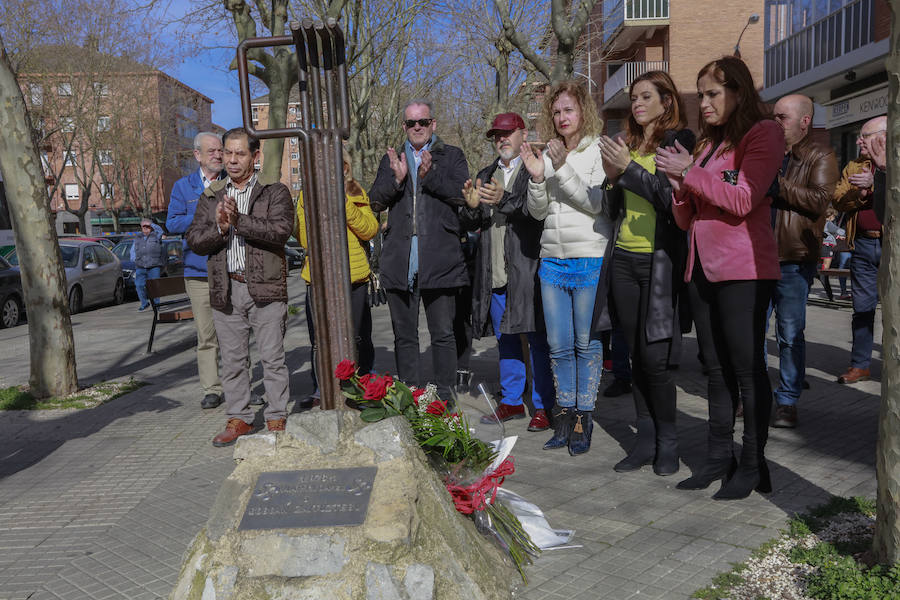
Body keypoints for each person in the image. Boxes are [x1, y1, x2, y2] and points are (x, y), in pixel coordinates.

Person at [656, 56, 784, 500]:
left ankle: (752, 464)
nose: (704, 103)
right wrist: (678, 188)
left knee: (747, 370)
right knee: (715, 370)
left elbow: (744, 198)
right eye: (702, 95)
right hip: (701, 268)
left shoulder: (763, 132)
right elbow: (687, 218)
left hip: (744, 268)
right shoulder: (710, 145)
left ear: (738, 92)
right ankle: (717, 458)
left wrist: (689, 173)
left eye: (712, 94)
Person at [597, 70, 695, 475]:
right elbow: (612, 211)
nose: (636, 104)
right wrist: (610, 179)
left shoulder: (681, 142)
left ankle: (669, 443)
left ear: (666, 101)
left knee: (656, 360)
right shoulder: (628, 144)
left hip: (658, 264)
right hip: (622, 260)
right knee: (636, 356)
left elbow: (669, 202)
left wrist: (629, 171)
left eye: (645, 97)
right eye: (634, 98)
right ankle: (645, 441)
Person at [520, 80, 613, 456]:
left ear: (583, 112)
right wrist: (538, 178)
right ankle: (565, 415)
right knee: (558, 346)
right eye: (556, 111)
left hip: (589, 255)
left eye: (568, 110)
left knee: (585, 343)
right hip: (552, 260)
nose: (562, 117)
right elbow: (538, 212)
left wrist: (560, 168)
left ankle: (584, 419)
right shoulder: (548, 154)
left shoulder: (596, 151)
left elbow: (595, 203)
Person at [186, 127, 294, 447]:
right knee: (233, 362)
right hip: (226, 289)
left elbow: (280, 231)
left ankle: (276, 416)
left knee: (272, 358)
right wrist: (219, 227)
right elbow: (194, 240)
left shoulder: (274, 192)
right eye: (227, 153)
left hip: (265, 288)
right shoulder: (211, 196)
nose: (231, 160)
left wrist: (238, 222)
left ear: (255, 156)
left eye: (239, 154)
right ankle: (239, 418)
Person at [461, 112, 555, 432]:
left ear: (522, 135)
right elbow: (473, 226)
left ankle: (543, 406)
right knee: (507, 341)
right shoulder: (486, 173)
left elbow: (535, 213)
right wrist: (471, 207)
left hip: (527, 270)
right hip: (495, 274)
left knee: (537, 340)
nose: (501, 139)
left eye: (507, 133)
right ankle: (513, 401)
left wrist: (504, 199)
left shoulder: (534, 169)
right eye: (496, 135)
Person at [368, 99, 469, 400]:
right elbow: (375, 200)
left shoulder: (451, 156)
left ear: (432, 124)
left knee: (443, 333)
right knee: (405, 336)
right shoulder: (392, 159)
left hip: (440, 258)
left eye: (422, 122)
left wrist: (431, 177)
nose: (417, 128)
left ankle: (444, 395)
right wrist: (397, 180)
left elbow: (462, 196)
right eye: (411, 123)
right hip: (401, 259)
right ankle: (409, 391)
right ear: (404, 126)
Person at [767, 95, 839, 428]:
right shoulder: (766, 153)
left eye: (782, 117)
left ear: (804, 121)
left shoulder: (819, 154)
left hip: (792, 259)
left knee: (789, 333)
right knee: (751, 332)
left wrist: (776, 185)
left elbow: (819, 201)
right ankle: (753, 394)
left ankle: (787, 400)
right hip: (755, 257)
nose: (775, 122)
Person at [295, 148, 378, 398]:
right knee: (320, 338)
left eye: (335, 165)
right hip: (320, 277)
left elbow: (370, 229)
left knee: (358, 337)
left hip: (354, 277)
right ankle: (323, 389)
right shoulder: (306, 195)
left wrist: (345, 206)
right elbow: (303, 238)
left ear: (344, 168)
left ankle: (363, 387)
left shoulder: (355, 192)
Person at [166, 132, 225, 409]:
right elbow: (172, 223)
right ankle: (212, 388)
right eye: (211, 151)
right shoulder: (183, 187)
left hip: (229, 268)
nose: (218, 155)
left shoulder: (232, 182)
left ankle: (242, 385)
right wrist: (206, 215)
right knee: (206, 335)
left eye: (220, 150)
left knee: (236, 332)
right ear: (197, 155)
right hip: (198, 272)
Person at [833, 115, 887, 384]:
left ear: (884, 137)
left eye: (865, 136)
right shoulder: (854, 165)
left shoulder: (895, 163)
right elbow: (839, 199)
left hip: (892, 246)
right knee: (862, 308)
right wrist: (862, 194)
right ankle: (860, 365)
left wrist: (876, 183)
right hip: (863, 244)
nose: (859, 140)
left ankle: (891, 365)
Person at [131, 218, 165, 312]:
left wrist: (151, 224)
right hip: (140, 266)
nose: (145, 229)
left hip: (154, 265)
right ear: (141, 227)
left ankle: (157, 305)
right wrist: (134, 259)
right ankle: (144, 303)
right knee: (139, 285)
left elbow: (160, 230)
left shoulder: (156, 235)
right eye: (143, 227)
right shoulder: (137, 237)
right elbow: (133, 250)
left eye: (148, 227)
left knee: (154, 286)